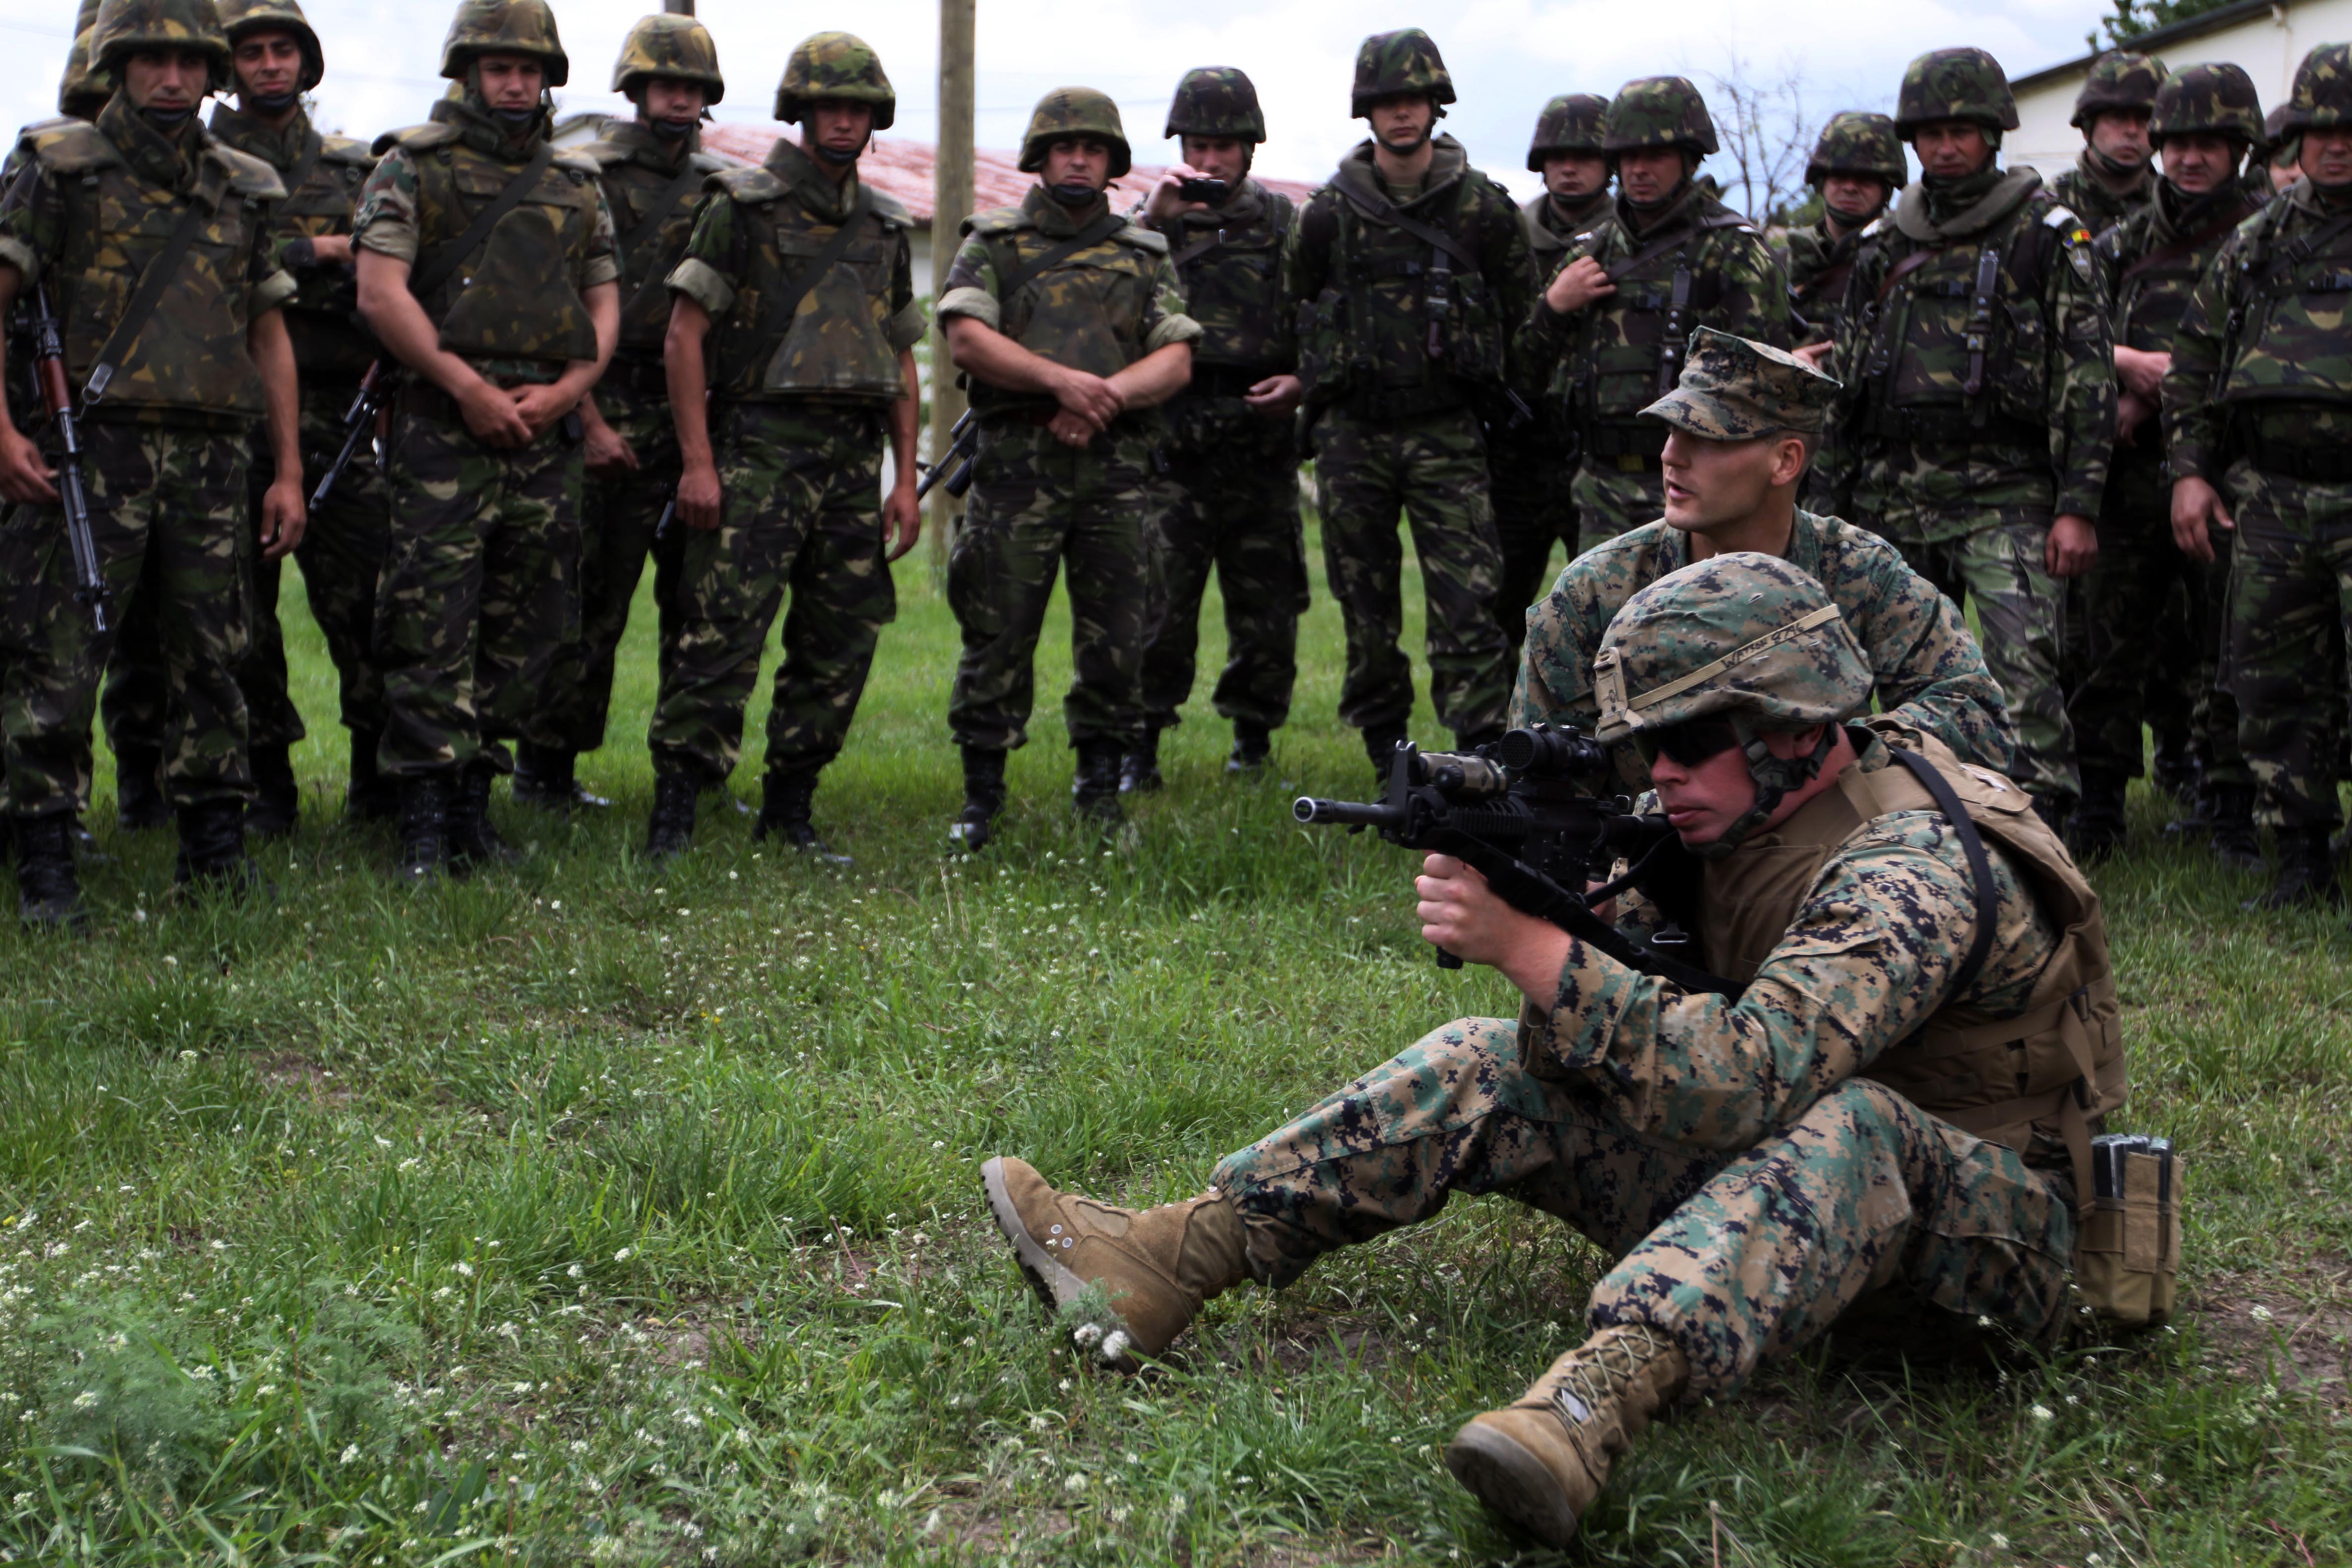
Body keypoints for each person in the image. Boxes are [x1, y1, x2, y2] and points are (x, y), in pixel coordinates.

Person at [980, 548, 2122, 1548]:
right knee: (1487, 1061)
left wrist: (1536, 948)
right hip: (1797, 1223)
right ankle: (1167, 1258)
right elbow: (1624, 1051)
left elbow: (1741, 1076)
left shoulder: (1908, 866)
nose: (1657, 775)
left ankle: (1585, 1408)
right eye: (1640, 751)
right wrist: (1576, 919)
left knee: (1856, 1127)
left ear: (1793, 725)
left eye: (1683, 741)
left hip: (1989, 1246)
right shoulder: (1737, 821)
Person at [0, 0, 304, 924]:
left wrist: (287, 468)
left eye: (187, 62)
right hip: (91, 450)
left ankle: (214, 847)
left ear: (210, 71)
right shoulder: (58, 168)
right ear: (117, 66)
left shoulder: (244, 184)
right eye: (149, 61)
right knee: (54, 657)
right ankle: (45, 854)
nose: (170, 78)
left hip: (214, 457)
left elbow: (268, 331)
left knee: (215, 656)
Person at [100, 0, 387, 838]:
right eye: (252, 52)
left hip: (335, 408)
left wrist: (335, 256)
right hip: (222, 411)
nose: (270, 65)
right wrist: (318, 252)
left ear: (308, 61)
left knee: (367, 599)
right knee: (228, 618)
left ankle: (377, 780)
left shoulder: (352, 167)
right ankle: (263, 786)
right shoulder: (201, 165)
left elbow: (391, 268)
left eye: (283, 50)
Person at [353, 0, 619, 881]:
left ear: (549, 77)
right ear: (467, 72)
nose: (515, 82)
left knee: (531, 622)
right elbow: (380, 292)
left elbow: (603, 302)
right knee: (431, 621)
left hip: (545, 435)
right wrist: (465, 388)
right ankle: (424, 818)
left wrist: (570, 392)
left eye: (529, 68)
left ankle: (475, 803)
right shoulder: (410, 168)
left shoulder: (577, 183)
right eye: (498, 67)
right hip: (442, 430)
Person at [648, 31, 922, 864]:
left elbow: (903, 357)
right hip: (758, 449)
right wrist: (698, 462)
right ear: (800, 113)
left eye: (857, 108)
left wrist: (904, 481)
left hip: (848, 459)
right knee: (719, 631)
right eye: (828, 106)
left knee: (840, 638)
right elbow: (683, 336)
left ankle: (791, 810)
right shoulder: (743, 205)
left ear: (875, 119)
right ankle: (675, 819)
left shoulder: (885, 225)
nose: (843, 121)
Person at [1827, 47, 2116, 832]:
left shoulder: (2047, 234)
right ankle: (1924, 821)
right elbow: (1849, 384)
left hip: (2007, 492)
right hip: (1894, 492)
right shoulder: (1886, 242)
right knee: (1904, 674)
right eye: (1931, 132)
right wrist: (1833, 506)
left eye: (1963, 130)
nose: (1946, 146)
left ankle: (2043, 829)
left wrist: (2078, 506)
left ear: (1994, 134)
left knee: (2025, 670)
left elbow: (2087, 380)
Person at [1517, 327, 2015, 775]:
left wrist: (1828, 756)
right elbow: (1541, 773)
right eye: (1672, 430)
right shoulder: (1595, 592)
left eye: (1705, 437)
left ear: (1786, 460)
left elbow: (1974, 716)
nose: (1670, 455)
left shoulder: (1861, 573)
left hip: (1818, 854)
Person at [937, 88, 1199, 845]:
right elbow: (965, 339)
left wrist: (1104, 398)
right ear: (1040, 158)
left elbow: (1178, 357)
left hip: (1116, 475)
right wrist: (1062, 383)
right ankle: (981, 796)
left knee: (1117, 636)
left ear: (1113, 163)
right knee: (997, 631)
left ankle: (1100, 790)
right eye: (1063, 147)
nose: (1078, 158)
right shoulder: (993, 241)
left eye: (1092, 148)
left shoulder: (1143, 254)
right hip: (1018, 472)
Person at [1285, 29, 1534, 779]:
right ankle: (1386, 756)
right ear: (1368, 111)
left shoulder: (1484, 209)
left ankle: (1484, 756)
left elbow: (1520, 315)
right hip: (1353, 435)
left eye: (1414, 100)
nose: (1402, 115)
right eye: (1388, 102)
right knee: (1366, 610)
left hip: (1448, 431)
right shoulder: (1327, 214)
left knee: (1470, 603)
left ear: (1436, 105)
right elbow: (1294, 310)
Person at [521, 12, 727, 817]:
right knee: (588, 602)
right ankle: (548, 768)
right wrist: (592, 421)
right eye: (663, 84)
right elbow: (561, 307)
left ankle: (689, 773)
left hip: (696, 409)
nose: (677, 98)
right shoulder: (586, 177)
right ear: (637, 89)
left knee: (699, 601)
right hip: (605, 401)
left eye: (691, 86)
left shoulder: (722, 189)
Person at [2165, 42, 2352, 910]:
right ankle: (2300, 857)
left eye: (2351, 129)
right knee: (2272, 684)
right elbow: (2194, 364)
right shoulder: (2259, 241)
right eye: (2321, 129)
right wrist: (2190, 474)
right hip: (2271, 496)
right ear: (2294, 137)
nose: (2337, 145)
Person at [2068, 64, 2265, 867]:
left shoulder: (2265, 235)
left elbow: (2276, 358)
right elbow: (2072, 340)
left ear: (2239, 150)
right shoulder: (2116, 248)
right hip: (2127, 481)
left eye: (2208, 145)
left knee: (2228, 648)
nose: (2189, 159)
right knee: (2105, 647)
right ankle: (2100, 808)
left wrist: (2155, 393)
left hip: (2229, 475)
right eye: (2176, 143)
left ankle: (2228, 807)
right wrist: (2121, 369)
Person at [1124, 67, 1305, 791]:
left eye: (1225, 146)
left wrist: (1304, 384)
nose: (1210, 160)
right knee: (1160, 609)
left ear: (1250, 149)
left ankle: (1252, 742)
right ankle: (1142, 745)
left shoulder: (1288, 224)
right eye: (1199, 144)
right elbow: (1108, 294)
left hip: (1260, 444)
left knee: (1266, 611)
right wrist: (1156, 218)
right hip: (1174, 445)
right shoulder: (1152, 222)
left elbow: (1320, 320)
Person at [1519, 76, 1789, 558]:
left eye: (1656, 155)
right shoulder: (1592, 251)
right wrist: (1552, 308)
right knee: (1606, 632)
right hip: (1601, 486)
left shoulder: (1735, 253)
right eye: (1628, 156)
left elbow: (1760, 393)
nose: (1640, 169)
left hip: (1700, 489)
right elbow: (1523, 371)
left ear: (1690, 157)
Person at [1489, 92, 1611, 637]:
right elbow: (1497, 356)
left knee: (1607, 606)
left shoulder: (1634, 244)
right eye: (1557, 155)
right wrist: (1552, 307)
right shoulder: (1507, 241)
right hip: (1519, 453)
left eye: (1584, 155)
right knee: (1496, 604)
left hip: (1602, 450)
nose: (1568, 167)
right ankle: (1495, 723)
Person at [1780, 111, 1903, 515]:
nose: (1850, 186)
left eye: (1865, 179)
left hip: (1880, 465)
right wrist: (1785, 363)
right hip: (1791, 461)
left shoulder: (1905, 263)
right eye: (1838, 175)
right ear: (1820, 181)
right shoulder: (1778, 266)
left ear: (1887, 188)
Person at [2049, 51, 2166, 238]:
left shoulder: (2172, 205)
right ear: (2088, 127)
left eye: (2145, 118)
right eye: (2118, 117)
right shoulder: (2050, 205)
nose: (2132, 130)